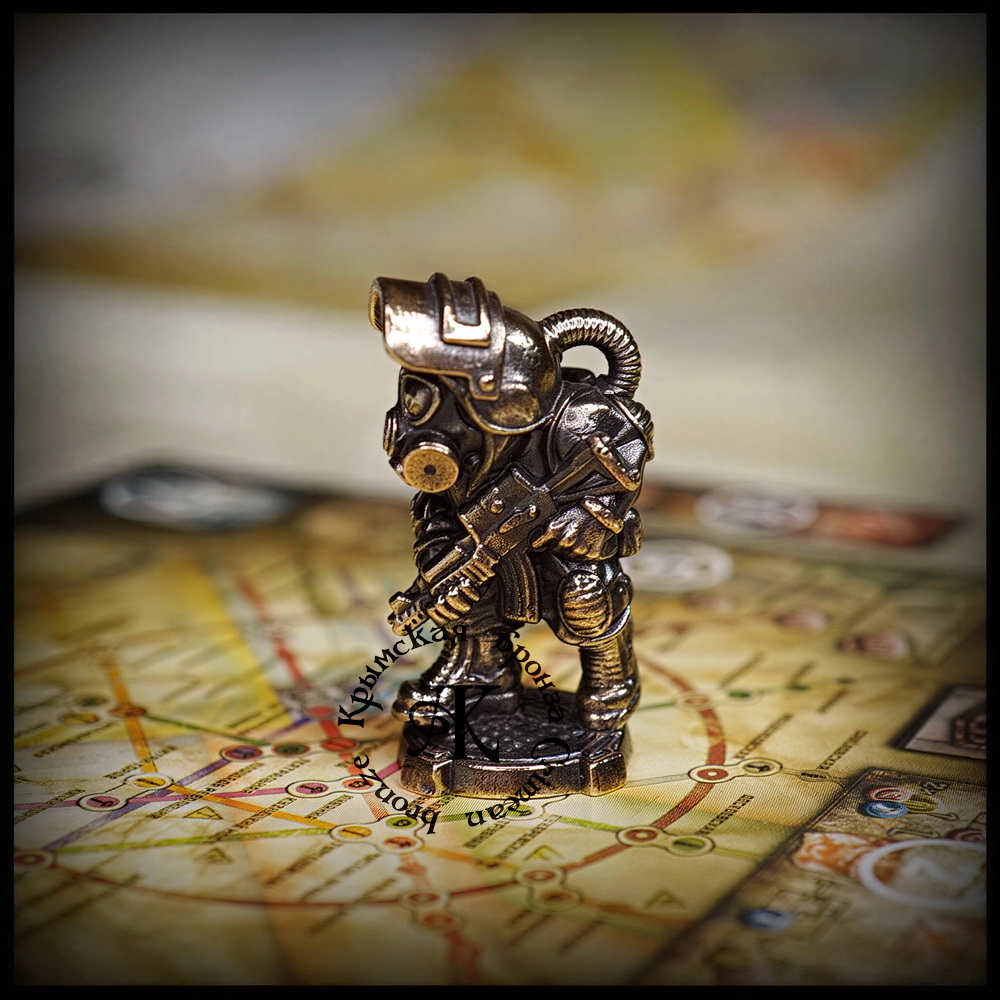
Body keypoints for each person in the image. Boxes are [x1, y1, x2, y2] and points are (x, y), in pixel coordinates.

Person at [370, 273, 653, 732]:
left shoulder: (578, 420)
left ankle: (611, 676)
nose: (415, 410)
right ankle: (481, 671)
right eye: (416, 390)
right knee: (462, 586)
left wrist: (592, 516)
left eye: (439, 393)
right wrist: (439, 575)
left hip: (558, 545)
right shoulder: (460, 450)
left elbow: (623, 463)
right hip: (483, 541)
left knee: (586, 597)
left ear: (503, 404)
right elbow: (437, 513)